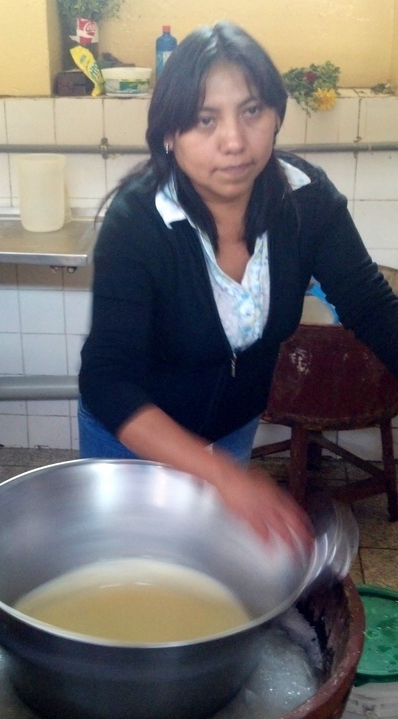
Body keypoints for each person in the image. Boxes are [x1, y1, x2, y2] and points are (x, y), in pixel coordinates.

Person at [78, 21, 398, 545]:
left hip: (230, 432)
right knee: (126, 572)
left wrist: (223, 465)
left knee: (200, 573)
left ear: (276, 115)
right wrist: (223, 475)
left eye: (251, 111)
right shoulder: (137, 222)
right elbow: (107, 381)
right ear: (168, 134)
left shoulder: (307, 201)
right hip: (132, 441)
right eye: (205, 120)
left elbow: (372, 307)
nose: (234, 141)